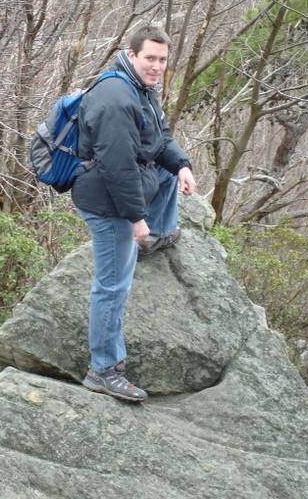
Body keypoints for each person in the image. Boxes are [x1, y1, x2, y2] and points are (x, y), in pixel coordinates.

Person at [71, 25, 196, 402]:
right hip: (105, 198)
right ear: (131, 54)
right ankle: (103, 369)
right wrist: (136, 220)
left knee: (169, 171)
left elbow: (160, 139)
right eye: (150, 59)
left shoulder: (142, 89)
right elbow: (118, 168)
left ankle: (155, 238)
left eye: (162, 60)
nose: (156, 66)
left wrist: (183, 165)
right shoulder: (116, 98)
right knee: (112, 287)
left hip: (125, 181)